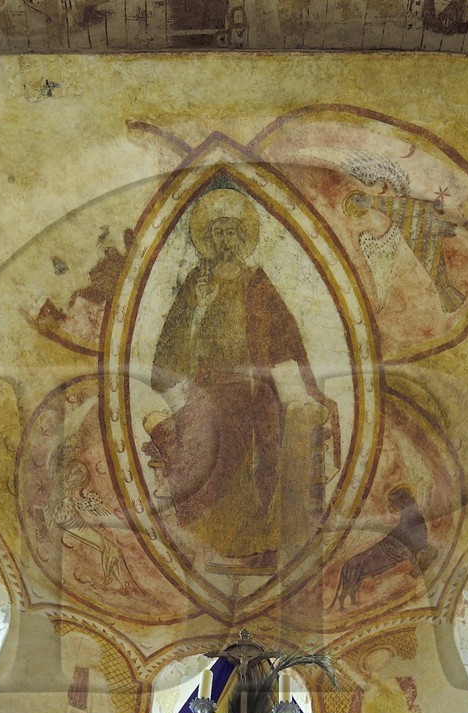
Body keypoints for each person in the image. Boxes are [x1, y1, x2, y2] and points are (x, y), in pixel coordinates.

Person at [142, 187, 339, 568]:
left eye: (232, 232)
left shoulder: (258, 282)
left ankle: (260, 539)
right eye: (218, 233)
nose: (225, 240)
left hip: (254, 387)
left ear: (243, 238)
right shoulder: (194, 286)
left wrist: (298, 384)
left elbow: (287, 337)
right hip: (208, 386)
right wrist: (198, 309)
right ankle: (209, 536)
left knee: (266, 432)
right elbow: (170, 353)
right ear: (208, 240)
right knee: (211, 432)